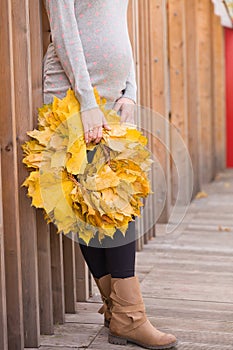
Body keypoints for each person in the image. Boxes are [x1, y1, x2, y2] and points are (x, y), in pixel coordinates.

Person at [43, 1, 177, 349]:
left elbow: (119, 25)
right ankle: (129, 315)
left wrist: (130, 90)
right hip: (74, 96)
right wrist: (87, 102)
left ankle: (118, 311)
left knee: (114, 198)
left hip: (113, 98)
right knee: (89, 203)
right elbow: (64, 30)